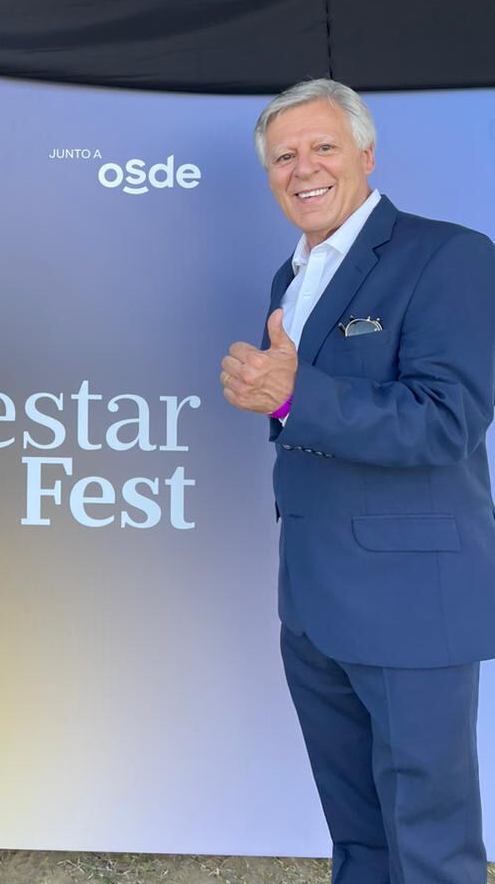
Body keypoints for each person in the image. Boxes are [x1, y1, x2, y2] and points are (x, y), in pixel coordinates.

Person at [221, 78, 495, 884]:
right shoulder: (291, 276)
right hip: (313, 603)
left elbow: (447, 422)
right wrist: (281, 398)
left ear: (366, 154)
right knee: (361, 837)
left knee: (429, 842)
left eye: (322, 147)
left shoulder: (449, 256)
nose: (302, 168)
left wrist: (294, 394)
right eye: (283, 157)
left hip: (412, 603)